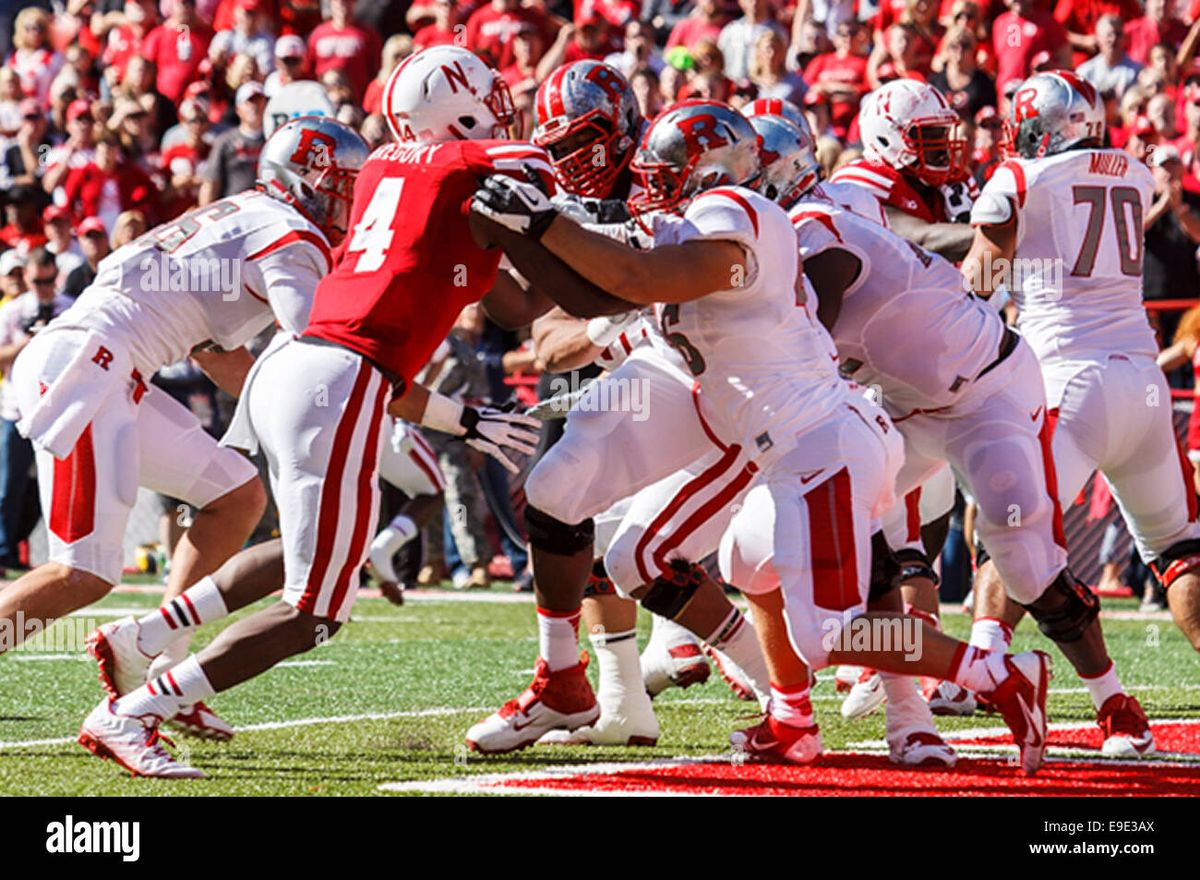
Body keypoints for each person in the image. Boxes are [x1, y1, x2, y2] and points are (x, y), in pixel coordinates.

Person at [470, 99, 1054, 773]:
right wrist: (507, 232)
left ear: (711, 171)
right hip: (785, 448)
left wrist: (538, 221)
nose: (650, 185)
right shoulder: (699, 222)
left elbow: (631, 278)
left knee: (828, 634)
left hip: (820, 446)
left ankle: (997, 671)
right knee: (743, 565)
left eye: (666, 173)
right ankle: (790, 719)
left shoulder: (742, 218)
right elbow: (596, 297)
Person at [75, 46, 574, 778]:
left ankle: (148, 633)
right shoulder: (454, 165)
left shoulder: (404, 176)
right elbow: (523, 164)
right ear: (450, 114)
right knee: (317, 609)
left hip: (301, 370)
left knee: (318, 558)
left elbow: (522, 303)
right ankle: (134, 710)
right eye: (487, 99)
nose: (504, 107)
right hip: (339, 377)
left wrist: (588, 275)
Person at [13, 117, 370, 769]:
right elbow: (314, 349)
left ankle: (159, 660)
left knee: (235, 496)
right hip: (88, 367)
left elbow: (222, 355)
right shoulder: (290, 235)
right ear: (308, 184)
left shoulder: (251, 219)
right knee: (83, 572)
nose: (351, 202)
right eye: (343, 187)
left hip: (114, 370)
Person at [964, 70, 1196, 755]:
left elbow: (980, 278)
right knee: (1180, 550)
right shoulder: (1131, 170)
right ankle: (1095, 700)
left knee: (1009, 527)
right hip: (1143, 384)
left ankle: (980, 660)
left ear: (1041, 128)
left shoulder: (1020, 176)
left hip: (1068, 382)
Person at [0, 247, 71, 569]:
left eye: (48, 280)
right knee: (7, 485)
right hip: (15, 408)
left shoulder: (70, 308)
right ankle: (4, 552)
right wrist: (29, 344)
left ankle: (53, 553)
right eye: (37, 280)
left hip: (59, 408)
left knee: (49, 489)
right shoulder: (12, 311)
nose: (43, 286)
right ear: (27, 278)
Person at [198, 82, 266, 204]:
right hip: (236, 209)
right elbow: (211, 182)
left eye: (259, 100)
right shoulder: (225, 141)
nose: (254, 106)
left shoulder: (273, 139)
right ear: (238, 109)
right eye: (249, 102)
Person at [1076, 15, 1142, 99]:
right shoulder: (1085, 73)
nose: (1113, 39)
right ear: (1098, 38)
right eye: (1108, 35)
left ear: (1125, 38)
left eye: (1118, 34)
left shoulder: (1136, 71)